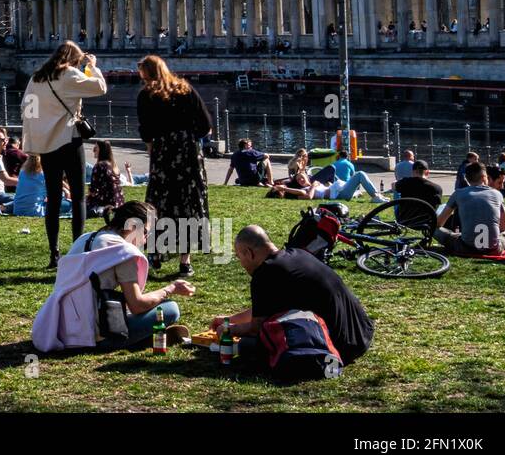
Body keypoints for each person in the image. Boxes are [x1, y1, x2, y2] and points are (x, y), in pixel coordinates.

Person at [211, 224, 374, 367]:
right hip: (361, 335)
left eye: (240, 257)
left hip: (338, 347)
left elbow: (256, 328)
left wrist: (228, 330)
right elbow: (264, 309)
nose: (241, 263)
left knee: (247, 345)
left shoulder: (265, 274)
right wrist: (230, 320)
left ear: (249, 253)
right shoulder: (297, 254)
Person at [21, 40, 108, 268]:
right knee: (78, 196)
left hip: (48, 145)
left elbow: (27, 109)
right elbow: (100, 87)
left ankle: (54, 253)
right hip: (69, 141)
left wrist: (39, 132)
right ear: (74, 60)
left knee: (53, 198)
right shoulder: (69, 75)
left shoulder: (37, 78)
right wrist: (92, 67)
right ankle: (77, 252)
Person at [65, 201, 195, 349]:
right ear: (133, 227)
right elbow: (137, 305)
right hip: (94, 336)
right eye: (146, 232)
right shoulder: (123, 250)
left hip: (63, 329)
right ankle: (140, 340)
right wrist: (170, 289)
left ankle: (144, 338)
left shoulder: (85, 238)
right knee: (170, 308)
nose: (146, 239)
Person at [136, 55, 212, 278]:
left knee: (159, 201)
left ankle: (156, 253)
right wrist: (189, 139)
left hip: (163, 151)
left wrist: (155, 150)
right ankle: (185, 262)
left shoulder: (146, 95)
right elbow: (205, 125)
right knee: (189, 203)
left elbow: (146, 130)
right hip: (188, 153)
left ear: (147, 73)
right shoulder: (185, 89)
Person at [435, 163, 505, 255]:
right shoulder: (497, 194)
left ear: (467, 178)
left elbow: (439, 223)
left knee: (434, 229)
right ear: (484, 177)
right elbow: (503, 227)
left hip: (466, 248)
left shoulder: (458, 193)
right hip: (493, 250)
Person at [87, 139, 124, 217]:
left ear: (101, 150)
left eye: (95, 148)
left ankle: (103, 210)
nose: (93, 151)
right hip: (119, 202)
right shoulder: (113, 165)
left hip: (105, 202)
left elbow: (93, 191)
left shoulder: (99, 166)